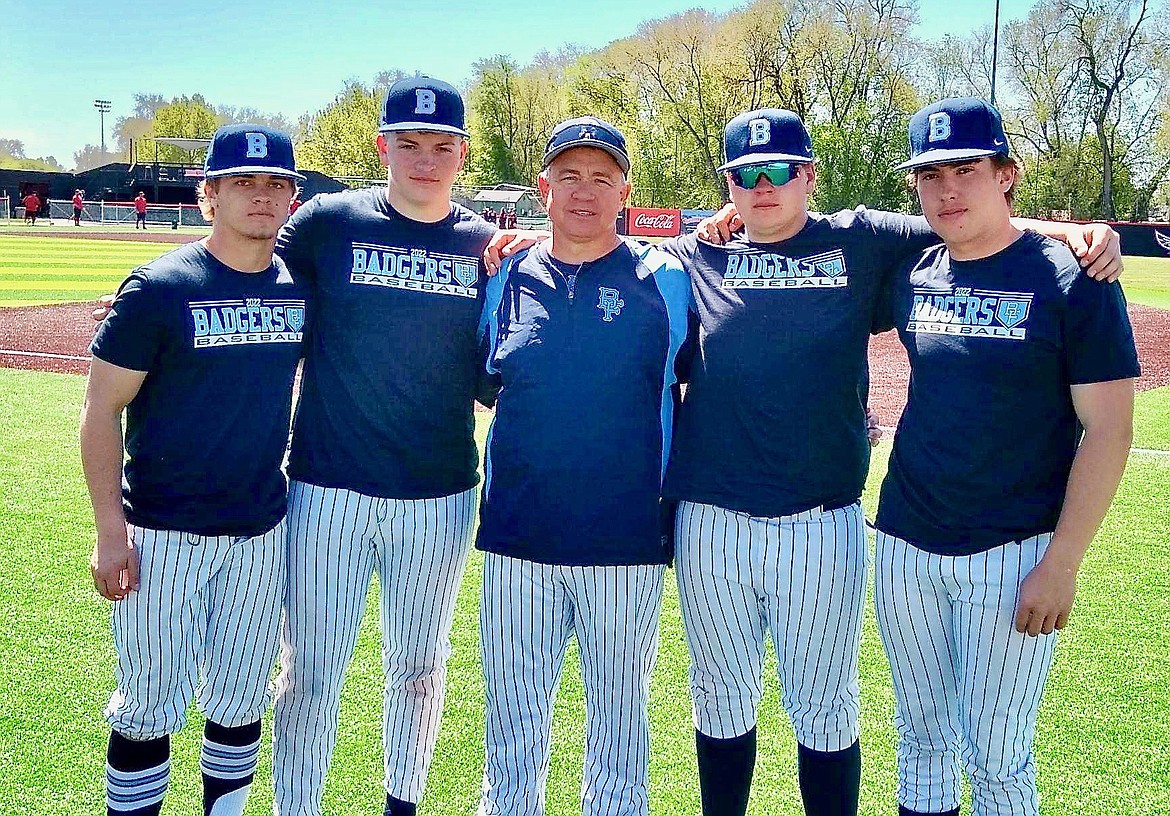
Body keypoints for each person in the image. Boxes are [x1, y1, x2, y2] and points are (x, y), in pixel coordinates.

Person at [655, 110, 1122, 816]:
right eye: (744, 175)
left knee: (856, 716)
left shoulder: (867, 239)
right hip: (748, 519)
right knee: (748, 704)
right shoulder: (699, 256)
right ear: (727, 186)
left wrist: (1075, 231)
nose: (762, 185)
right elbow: (600, 249)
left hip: (833, 521)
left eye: (779, 169)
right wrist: (507, 243)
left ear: (809, 176)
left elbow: (980, 228)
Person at [871, 97, 1138, 816]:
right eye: (930, 175)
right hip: (903, 541)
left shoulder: (1073, 277)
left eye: (966, 169)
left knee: (996, 753)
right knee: (920, 739)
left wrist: (1064, 563)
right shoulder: (913, 269)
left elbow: (1109, 430)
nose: (947, 189)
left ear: (1007, 174)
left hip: (1013, 551)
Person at [270, 75, 499, 816]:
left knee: (421, 667)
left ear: (462, 154)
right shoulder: (328, 223)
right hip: (325, 488)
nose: (425, 160)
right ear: (383, 146)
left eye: (442, 146)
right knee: (310, 670)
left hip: (437, 493)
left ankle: (403, 803)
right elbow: (242, 268)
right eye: (409, 143)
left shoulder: (485, 245)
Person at [81, 124, 305, 816]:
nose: (261, 196)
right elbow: (99, 411)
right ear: (208, 194)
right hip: (162, 534)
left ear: (292, 199)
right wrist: (108, 529)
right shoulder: (160, 286)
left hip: (260, 531)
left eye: (276, 184)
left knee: (240, 700)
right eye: (243, 182)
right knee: (147, 704)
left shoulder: (298, 288)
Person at [476, 115, 690, 816]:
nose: (585, 191)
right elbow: (487, 381)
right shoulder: (504, 271)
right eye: (569, 175)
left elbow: (702, 380)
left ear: (626, 191)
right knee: (510, 731)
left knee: (620, 733)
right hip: (517, 537)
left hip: (625, 538)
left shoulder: (666, 280)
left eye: (603, 177)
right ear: (543, 187)